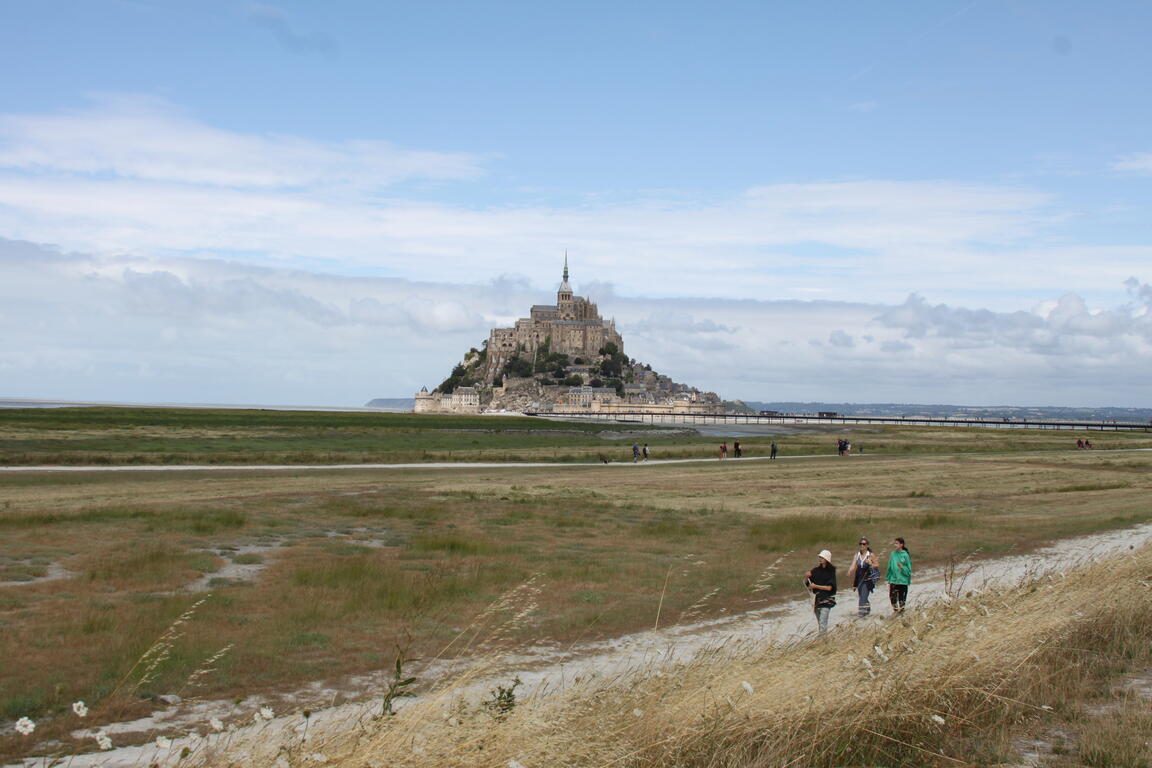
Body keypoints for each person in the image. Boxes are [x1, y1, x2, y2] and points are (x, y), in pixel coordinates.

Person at [804, 550, 837, 634]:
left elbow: (830, 588)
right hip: (816, 601)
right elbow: (808, 584)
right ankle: (824, 642)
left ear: (827, 559)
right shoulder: (815, 570)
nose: (820, 559)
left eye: (822, 557)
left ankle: (822, 642)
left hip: (826, 601)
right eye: (820, 557)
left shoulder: (831, 571)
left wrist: (816, 586)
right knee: (821, 624)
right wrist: (806, 577)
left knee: (822, 624)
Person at [846, 537, 879, 618]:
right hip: (859, 579)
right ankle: (867, 609)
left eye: (864, 544)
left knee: (862, 598)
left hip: (868, 579)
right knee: (862, 596)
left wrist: (870, 563)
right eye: (860, 544)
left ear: (867, 545)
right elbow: (854, 565)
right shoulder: (857, 555)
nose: (862, 545)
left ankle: (862, 615)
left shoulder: (870, 555)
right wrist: (850, 570)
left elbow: (877, 565)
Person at [886, 537, 912, 613]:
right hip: (893, 580)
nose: (895, 545)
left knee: (902, 600)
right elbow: (889, 567)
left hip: (903, 581)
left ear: (901, 545)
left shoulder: (905, 555)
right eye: (895, 543)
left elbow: (909, 570)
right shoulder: (892, 554)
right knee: (892, 598)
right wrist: (888, 579)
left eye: (897, 543)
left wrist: (902, 567)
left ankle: (901, 614)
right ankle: (896, 612)